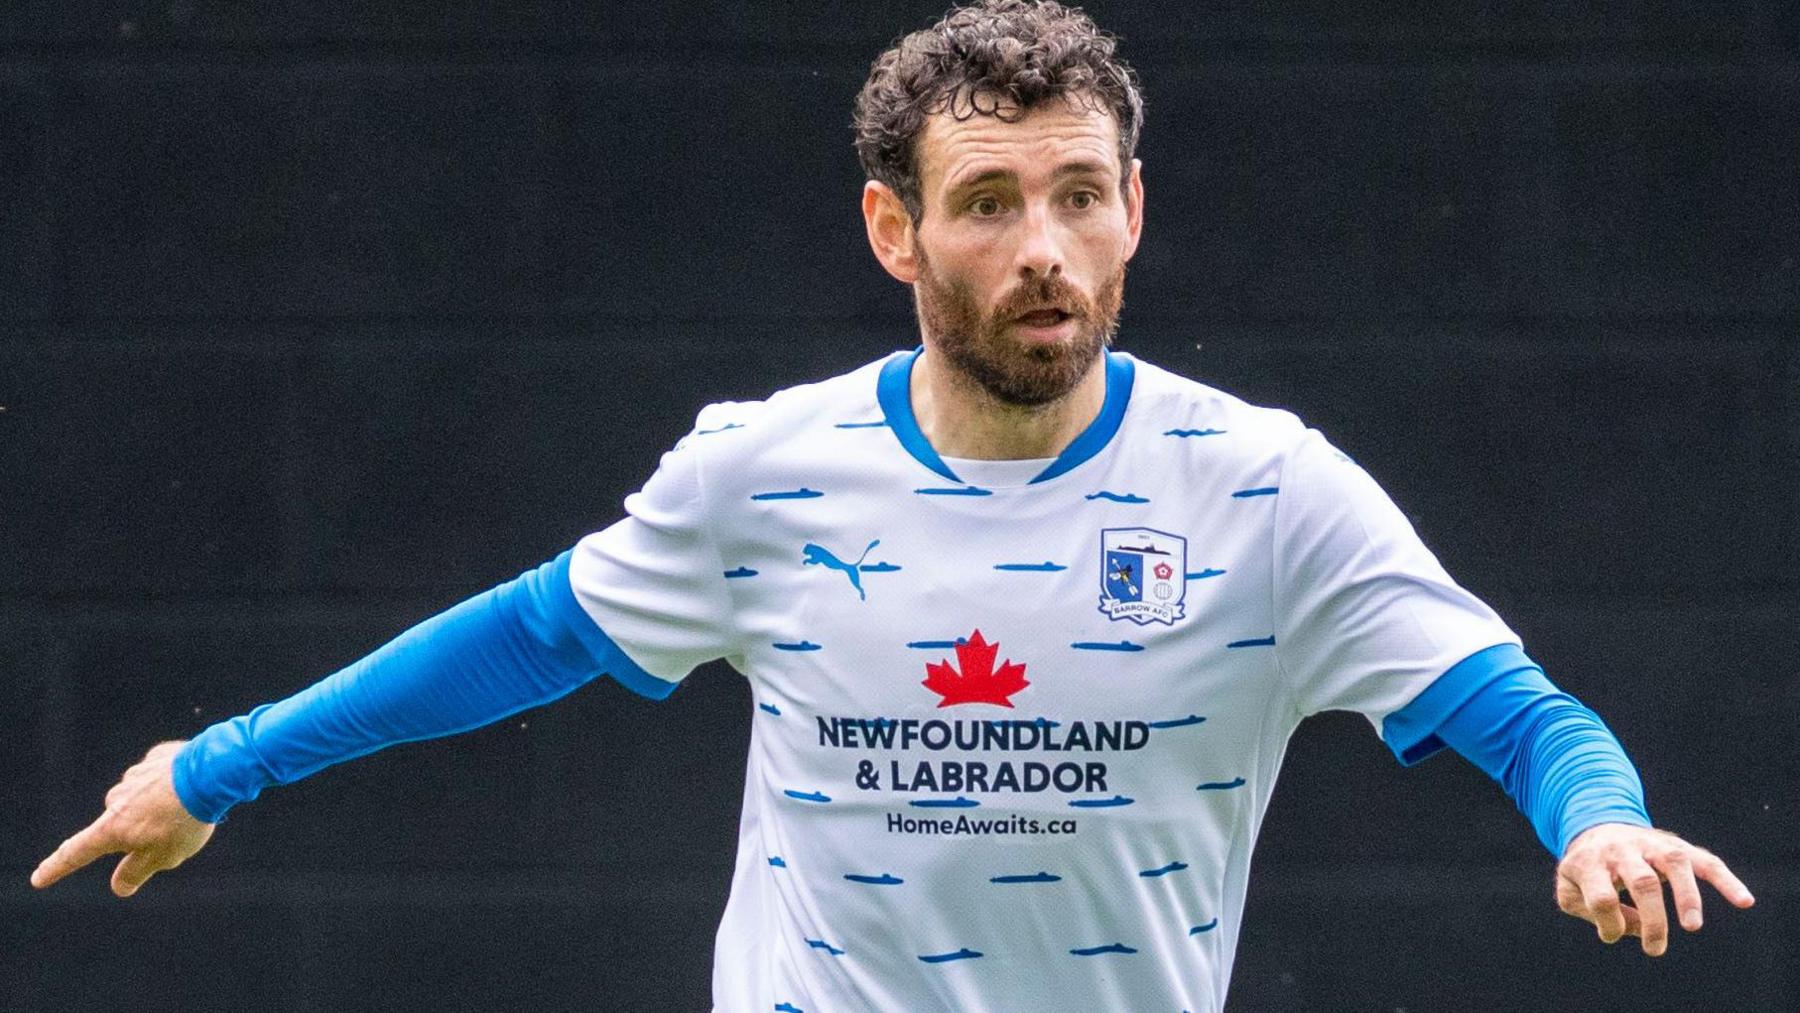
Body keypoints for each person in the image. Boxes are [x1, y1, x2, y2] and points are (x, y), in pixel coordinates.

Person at [31, 2, 1754, 1010]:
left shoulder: (1269, 491)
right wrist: (215, 765)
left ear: (1136, 209)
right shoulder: (762, 472)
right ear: (893, 232)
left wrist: (1598, 819)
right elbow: (525, 638)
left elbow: (1520, 718)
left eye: (1080, 195)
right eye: (989, 202)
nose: (1044, 248)